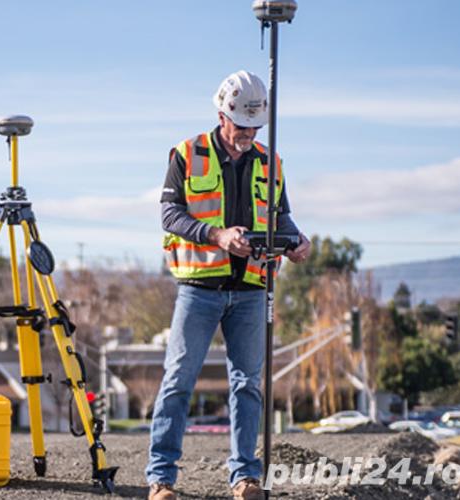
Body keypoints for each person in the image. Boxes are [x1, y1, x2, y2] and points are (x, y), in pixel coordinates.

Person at [145, 70, 311, 500]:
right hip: (199, 288)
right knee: (178, 380)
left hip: (253, 289)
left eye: (255, 127)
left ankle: (245, 477)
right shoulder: (186, 154)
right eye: (241, 125)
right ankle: (161, 478)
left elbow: (281, 214)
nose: (247, 134)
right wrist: (218, 236)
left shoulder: (270, 161)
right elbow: (169, 216)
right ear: (222, 115)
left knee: (248, 384)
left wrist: (296, 240)